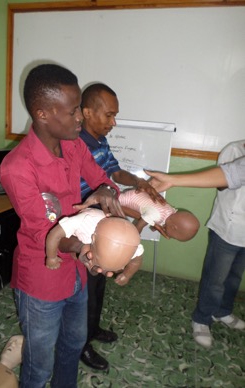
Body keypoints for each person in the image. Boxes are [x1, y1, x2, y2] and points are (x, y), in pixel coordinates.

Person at [0, 64, 125, 388]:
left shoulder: (74, 145)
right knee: (39, 367)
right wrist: (88, 247)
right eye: (73, 113)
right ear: (43, 114)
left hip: (76, 275)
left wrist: (106, 190)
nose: (80, 119)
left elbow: (100, 178)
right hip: (42, 280)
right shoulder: (17, 167)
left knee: (71, 347)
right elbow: (44, 233)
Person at [79, 82, 164, 370]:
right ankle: (81, 344)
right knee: (87, 284)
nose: (113, 122)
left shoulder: (100, 141)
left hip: (105, 220)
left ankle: (92, 328)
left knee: (101, 278)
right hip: (86, 224)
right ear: (87, 112)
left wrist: (138, 181)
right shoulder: (75, 143)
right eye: (109, 115)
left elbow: (113, 170)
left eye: (115, 116)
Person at [147, 141, 245, 348]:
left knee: (234, 277)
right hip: (228, 229)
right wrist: (173, 180)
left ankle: (223, 311)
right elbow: (224, 180)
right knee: (215, 279)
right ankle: (202, 319)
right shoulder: (235, 150)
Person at [45, 208, 144, 282]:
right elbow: (55, 234)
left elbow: (136, 261)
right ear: (93, 239)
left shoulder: (132, 244)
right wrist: (51, 257)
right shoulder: (85, 221)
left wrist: (127, 275)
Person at [119, 189, 200, 242]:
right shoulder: (157, 215)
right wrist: (134, 237)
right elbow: (140, 224)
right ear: (174, 227)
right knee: (115, 202)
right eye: (174, 237)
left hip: (138, 194)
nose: (170, 238)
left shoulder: (170, 210)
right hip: (129, 199)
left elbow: (153, 220)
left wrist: (155, 226)